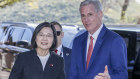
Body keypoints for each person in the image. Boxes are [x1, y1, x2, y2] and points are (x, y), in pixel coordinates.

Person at [69, 0, 128, 79]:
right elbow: (73, 75)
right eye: (83, 15)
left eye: (90, 14)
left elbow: (123, 75)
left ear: (100, 14)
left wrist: (110, 78)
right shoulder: (77, 41)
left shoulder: (115, 41)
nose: (86, 20)